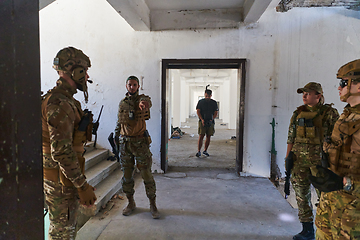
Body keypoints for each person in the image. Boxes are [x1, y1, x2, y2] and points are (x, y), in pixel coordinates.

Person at [42, 46, 97, 239]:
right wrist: (82, 186)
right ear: (75, 71)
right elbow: (62, 153)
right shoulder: (61, 103)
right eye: (84, 70)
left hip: (61, 178)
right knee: (62, 234)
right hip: (61, 183)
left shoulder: (64, 100)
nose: (86, 75)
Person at [309, 59, 360, 239]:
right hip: (332, 199)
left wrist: (347, 184)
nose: (339, 87)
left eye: (343, 83)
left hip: (352, 208)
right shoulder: (346, 115)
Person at [285, 82, 339, 240]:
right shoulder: (298, 113)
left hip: (321, 162)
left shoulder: (330, 113)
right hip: (299, 161)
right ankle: (307, 230)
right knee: (302, 195)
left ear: (319, 95)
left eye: (308, 93)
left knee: (325, 196)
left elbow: (337, 139)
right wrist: (288, 158)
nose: (304, 95)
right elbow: (291, 137)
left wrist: (334, 163)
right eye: (303, 93)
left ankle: (326, 230)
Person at [114, 75, 160, 219]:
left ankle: (152, 204)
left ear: (138, 86)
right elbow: (119, 121)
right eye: (130, 85)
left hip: (140, 143)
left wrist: (143, 103)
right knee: (127, 176)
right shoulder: (122, 103)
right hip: (125, 144)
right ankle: (131, 203)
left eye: (135, 85)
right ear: (126, 86)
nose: (132, 87)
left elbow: (146, 101)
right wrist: (116, 136)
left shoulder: (142, 100)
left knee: (146, 174)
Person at [195, 85, 219, 157]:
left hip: (211, 121)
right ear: (204, 95)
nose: (207, 97)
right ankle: (199, 151)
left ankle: (205, 150)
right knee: (201, 136)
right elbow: (198, 111)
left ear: (211, 95)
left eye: (208, 96)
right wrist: (202, 119)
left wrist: (212, 119)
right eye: (206, 96)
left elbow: (216, 112)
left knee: (208, 136)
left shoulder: (214, 103)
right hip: (202, 121)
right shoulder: (201, 102)